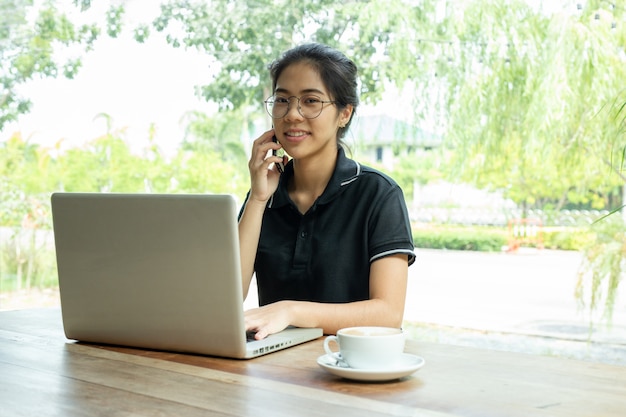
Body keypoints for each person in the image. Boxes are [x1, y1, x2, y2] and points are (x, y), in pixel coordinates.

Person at [238, 43, 415, 340]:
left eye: (311, 101)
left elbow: (388, 314)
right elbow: (230, 296)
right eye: (282, 99)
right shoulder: (263, 194)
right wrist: (257, 199)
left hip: (349, 372)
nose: (292, 114)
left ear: (344, 113)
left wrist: (290, 311)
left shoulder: (379, 195)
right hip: (273, 371)